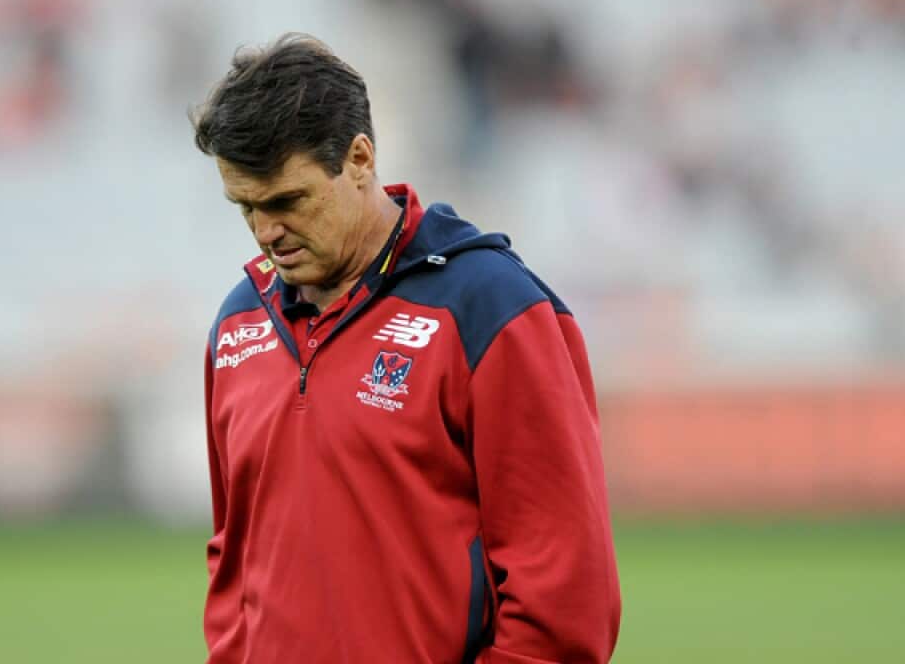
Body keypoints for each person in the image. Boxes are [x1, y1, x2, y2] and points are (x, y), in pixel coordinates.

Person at [192, 33, 620, 664]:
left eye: (287, 201)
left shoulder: (491, 309)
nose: (266, 233)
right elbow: (233, 556)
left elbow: (564, 594)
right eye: (246, 207)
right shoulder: (238, 322)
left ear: (360, 159)